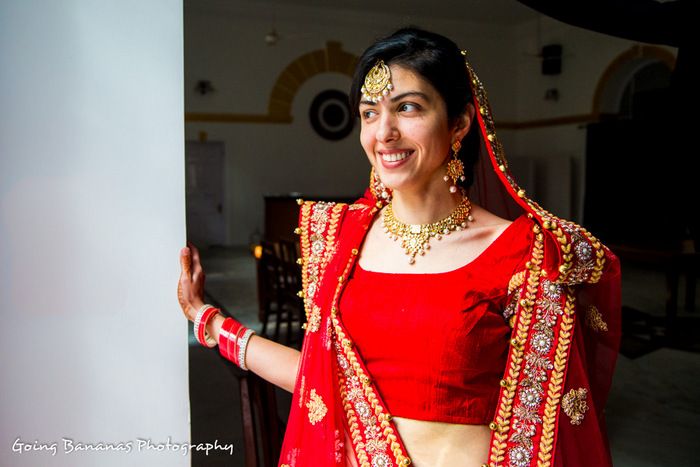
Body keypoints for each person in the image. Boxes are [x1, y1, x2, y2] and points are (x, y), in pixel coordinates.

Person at [178, 27, 621, 467]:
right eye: (369, 113)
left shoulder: (524, 254)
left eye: (407, 107)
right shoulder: (340, 242)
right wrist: (208, 320)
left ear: (460, 123)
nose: (383, 132)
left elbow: (544, 424)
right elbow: (319, 380)